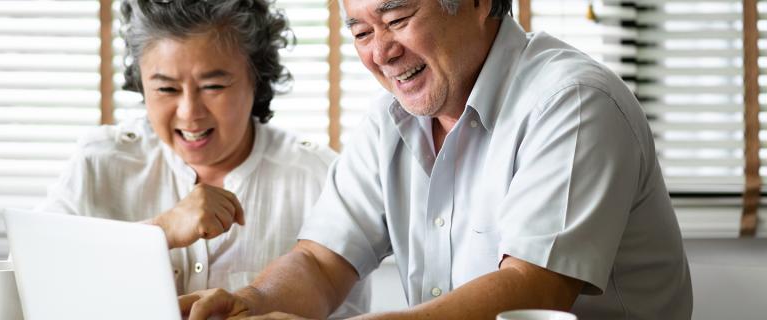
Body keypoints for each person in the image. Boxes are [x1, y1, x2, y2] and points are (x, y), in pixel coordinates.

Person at [181, 0, 692, 319]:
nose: (380, 53)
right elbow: (319, 262)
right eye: (361, 32)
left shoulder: (574, 102)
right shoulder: (389, 123)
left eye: (397, 19)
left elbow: (533, 290)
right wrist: (254, 302)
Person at [35, 0, 368, 317]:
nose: (189, 113)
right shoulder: (99, 161)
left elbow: (344, 309)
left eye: (213, 86)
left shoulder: (318, 178)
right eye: (166, 89)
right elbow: (29, 278)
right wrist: (158, 232)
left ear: (257, 78)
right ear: (141, 83)